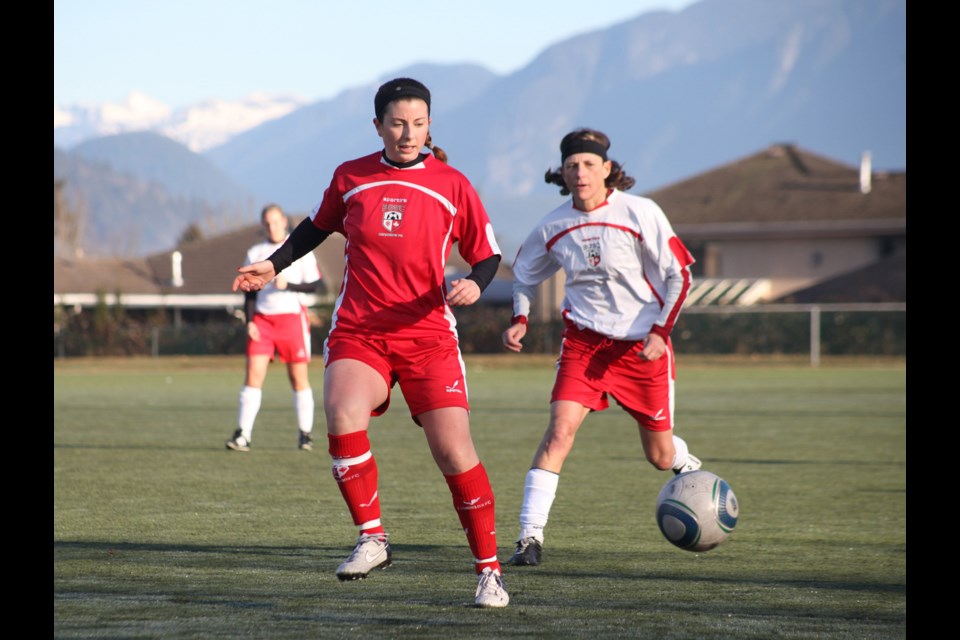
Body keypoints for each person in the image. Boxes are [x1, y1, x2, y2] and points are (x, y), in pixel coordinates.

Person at [232, 78, 510, 607]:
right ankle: (372, 536)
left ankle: (489, 571)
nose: (409, 134)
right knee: (340, 416)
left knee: (453, 451)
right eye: (399, 123)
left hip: (429, 336)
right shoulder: (351, 176)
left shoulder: (452, 183)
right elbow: (315, 228)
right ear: (378, 125)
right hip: (361, 330)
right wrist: (272, 265)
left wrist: (477, 282)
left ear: (431, 126)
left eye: (420, 123)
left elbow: (488, 253)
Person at [501, 128, 702, 567]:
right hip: (584, 345)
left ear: (608, 169)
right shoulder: (552, 225)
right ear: (563, 173)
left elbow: (679, 275)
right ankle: (528, 538)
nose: (580, 172)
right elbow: (523, 275)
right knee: (559, 433)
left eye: (590, 164)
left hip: (641, 350)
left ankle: (685, 462)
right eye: (572, 165)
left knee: (659, 455)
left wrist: (659, 333)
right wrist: (520, 318)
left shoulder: (640, 212)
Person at [225, 204, 324, 453]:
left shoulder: (299, 248)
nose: (272, 227)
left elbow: (316, 285)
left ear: (284, 221)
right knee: (253, 377)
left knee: (298, 379)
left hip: (292, 319)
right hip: (263, 321)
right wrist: (249, 322)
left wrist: (289, 285)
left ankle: (305, 434)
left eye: (275, 221)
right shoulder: (256, 251)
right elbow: (248, 292)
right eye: (267, 223)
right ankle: (243, 434)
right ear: (263, 225)